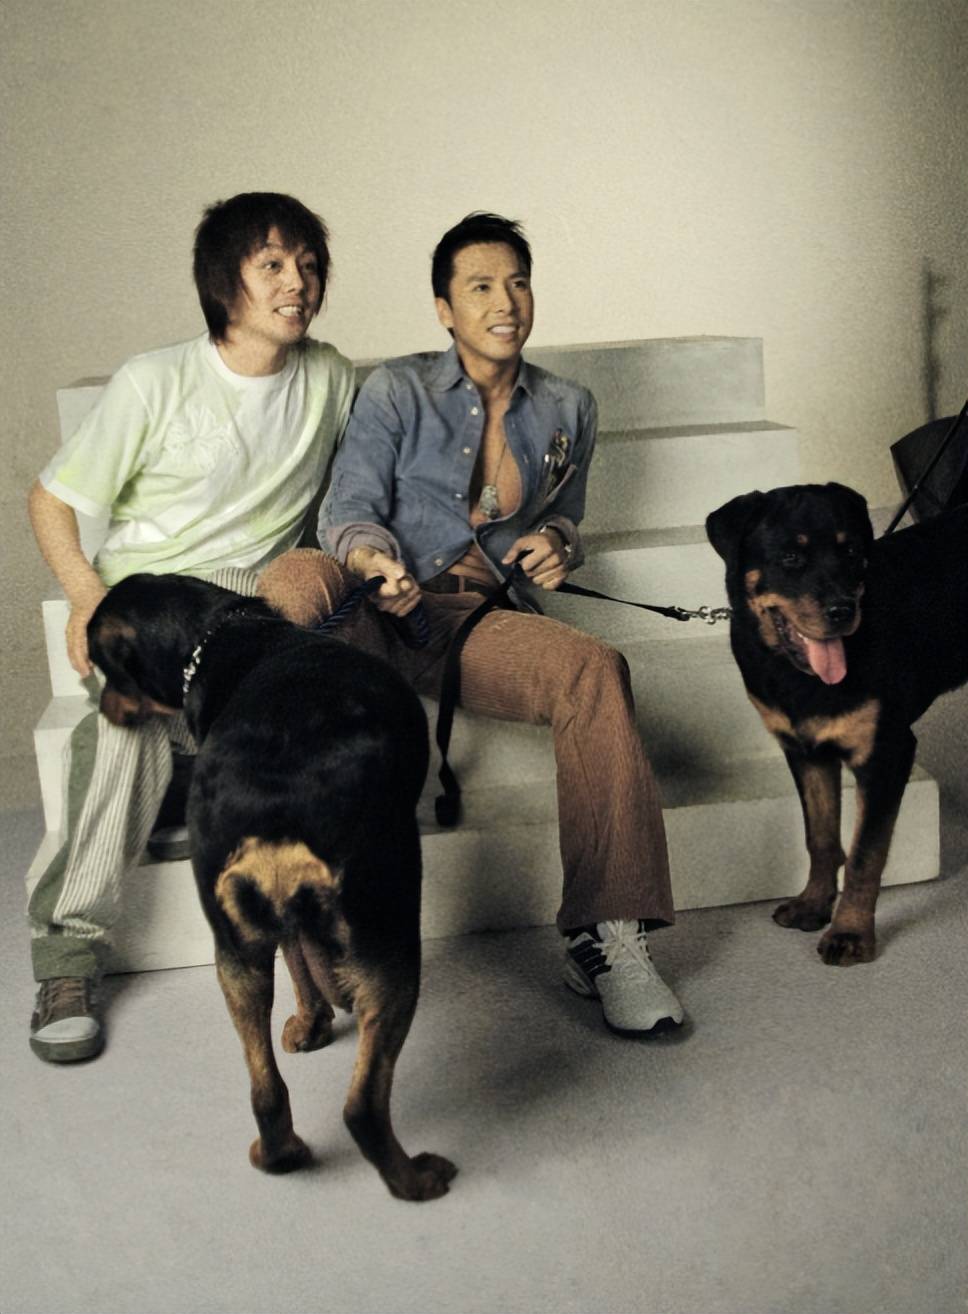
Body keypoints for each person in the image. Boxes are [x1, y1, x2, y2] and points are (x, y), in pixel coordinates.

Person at [259, 212, 684, 1037]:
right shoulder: (396, 391)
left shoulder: (568, 406)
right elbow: (347, 508)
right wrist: (374, 562)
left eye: (518, 282)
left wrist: (557, 544)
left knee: (594, 668)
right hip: (368, 599)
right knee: (292, 582)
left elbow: (563, 515)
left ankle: (606, 938)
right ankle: (308, 906)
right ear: (444, 309)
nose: (505, 301)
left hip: (468, 619)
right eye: (481, 286)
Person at [27, 192, 354, 1062]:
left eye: (309, 266)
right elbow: (50, 500)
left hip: (252, 605)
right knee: (125, 719)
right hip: (151, 593)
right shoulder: (156, 379)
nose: (298, 284)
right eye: (273, 265)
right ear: (224, 282)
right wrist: (87, 598)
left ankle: (319, 927)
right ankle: (68, 956)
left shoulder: (330, 378)